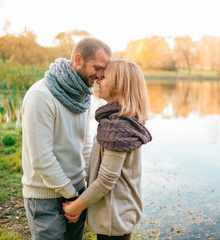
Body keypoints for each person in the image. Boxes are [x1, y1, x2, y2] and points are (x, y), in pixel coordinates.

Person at [22, 37, 112, 240]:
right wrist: (72, 196)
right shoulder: (41, 95)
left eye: (103, 71)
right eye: (96, 68)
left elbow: (85, 143)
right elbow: (42, 159)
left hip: (77, 193)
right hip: (45, 197)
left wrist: (85, 195)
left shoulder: (83, 96)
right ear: (78, 60)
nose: (99, 77)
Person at [62, 59, 152, 240]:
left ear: (118, 85)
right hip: (117, 213)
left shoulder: (118, 127)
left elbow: (106, 180)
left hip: (114, 218)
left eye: (104, 77)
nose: (98, 80)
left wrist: (74, 207)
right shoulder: (121, 120)